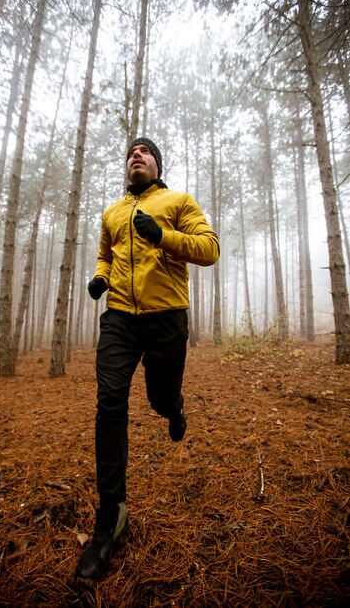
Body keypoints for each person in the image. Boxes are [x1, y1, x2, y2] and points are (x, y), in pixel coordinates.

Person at [74, 137, 220, 587]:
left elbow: (209, 248)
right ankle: (111, 516)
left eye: (144, 151)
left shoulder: (178, 200)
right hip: (118, 318)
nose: (135, 155)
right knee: (110, 402)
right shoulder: (112, 213)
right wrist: (100, 278)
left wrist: (164, 237)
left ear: (157, 164)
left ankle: (173, 407)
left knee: (157, 399)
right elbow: (105, 255)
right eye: (129, 153)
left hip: (167, 319)